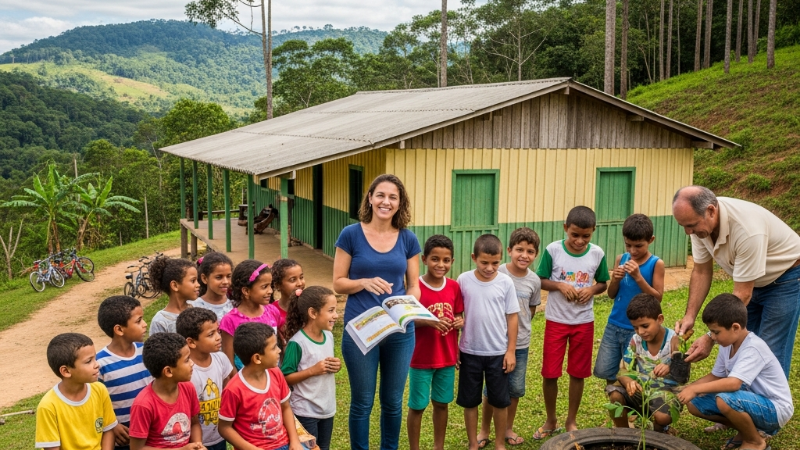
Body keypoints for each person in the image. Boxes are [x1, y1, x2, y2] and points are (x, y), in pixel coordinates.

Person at [332, 173, 421, 450]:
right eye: (380, 195)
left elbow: (414, 286)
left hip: (399, 331)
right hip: (361, 329)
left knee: (393, 402)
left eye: (393, 197)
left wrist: (407, 306)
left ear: (400, 203)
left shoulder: (408, 238)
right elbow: (338, 283)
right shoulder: (350, 234)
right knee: (362, 402)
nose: (386, 202)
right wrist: (363, 282)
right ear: (370, 198)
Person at [672, 186, 800, 377]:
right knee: (740, 345)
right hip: (752, 281)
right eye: (683, 225)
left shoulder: (747, 229)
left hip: (785, 279)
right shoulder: (700, 227)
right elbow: (701, 271)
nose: (687, 231)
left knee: (769, 351)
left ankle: (770, 397)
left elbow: (742, 293)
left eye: (691, 225)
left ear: (711, 211)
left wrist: (711, 337)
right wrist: (689, 316)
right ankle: (741, 393)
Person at [678, 293, 794, 450]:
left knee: (725, 399)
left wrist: (695, 389)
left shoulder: (753, 347)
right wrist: (687, 389)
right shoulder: (727, 345)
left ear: (735, 328)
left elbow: (733, 383)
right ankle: (748, 432)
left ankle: (755, 442)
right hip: (750, 402)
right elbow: (716, 376)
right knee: (694, 402)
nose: (712, 337)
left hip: (774, 410)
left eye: (716, 332)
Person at [535, 206, 609, 438]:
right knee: (550, 373)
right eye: (574, 234)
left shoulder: (597, 253)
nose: (579, 241)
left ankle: (571, 420)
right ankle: (550, 420)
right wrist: (559, 285)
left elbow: (603, 283)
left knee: (578, 372)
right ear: (565, 228)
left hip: (584, 322)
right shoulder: (553, 250)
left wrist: (592, 290)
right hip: (556, 321)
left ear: (593, 230)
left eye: (586, 236)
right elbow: (540, 280)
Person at [478, 227, 541, 447]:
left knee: (514, 389)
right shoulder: (497, 272)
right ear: (509, 250)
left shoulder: (534, 281)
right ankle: (484, 430)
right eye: (519, 249)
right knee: (491, 389)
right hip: (495, 343)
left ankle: (507, 428)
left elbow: (531, 310)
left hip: (520, 344)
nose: (524, 255)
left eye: (530, 251)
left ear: (536, 254)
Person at [457, 234, 519, 450]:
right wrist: (455, 348)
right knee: (470, 401)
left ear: (501, 259)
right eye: (484, 262)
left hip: (498, 353)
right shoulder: (463, 280)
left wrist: (511, 351)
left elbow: (512, 316)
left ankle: (500, 443)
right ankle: (473, 443)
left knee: (500, 401)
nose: (490, 268)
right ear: (474, 257)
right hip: (469, 352)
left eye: (495, 263)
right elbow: (457, 314)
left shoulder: (506, 282)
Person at [406, 235, 464, 450]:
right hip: (420, 359)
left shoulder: (454, 287)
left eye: (446, 260)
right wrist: (429, 321)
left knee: (441, 404)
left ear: (452, 261)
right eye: (435, 259)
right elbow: (406, 321)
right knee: (417, 406)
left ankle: (438, 447)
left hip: (447, 358)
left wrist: (460, 321)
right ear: (424, 259)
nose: (441, 265)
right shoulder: (415, 287)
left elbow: (458, 315)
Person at [594, 214, 665, 385]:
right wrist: (615, 279)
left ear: (651, 240)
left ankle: (630, 398)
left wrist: (638, 277)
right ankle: (614, 396)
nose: (633, 251)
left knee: (634, 373)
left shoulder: (656, 264)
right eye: (628, 245)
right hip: (614, 324)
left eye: (638, 246)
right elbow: (611, 294)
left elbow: (657, 298)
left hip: (638, 329)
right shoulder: (621, 259)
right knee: (607, 370)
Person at [218, 322, 303, 450]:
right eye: (274, 348)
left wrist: (295, 441)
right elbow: (224, 428)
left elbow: (285, 407)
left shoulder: (276, 373)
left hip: (284, 443)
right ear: (257, 358)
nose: (279, 350)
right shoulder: (233, 390)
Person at [606, 293, 681, 433]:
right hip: (642, 390)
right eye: (635, 327)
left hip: (665, 392)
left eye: (645, 326)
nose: (640, 332)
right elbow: (622, 371)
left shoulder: (674, 340)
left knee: (662, 417)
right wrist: (629, 381)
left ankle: (659, 433)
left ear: (660, 319)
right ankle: (624, 435)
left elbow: (683, 375)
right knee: (615, 395)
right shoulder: (636, 340)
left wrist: (670, 367)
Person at [281, 286, 341, 450]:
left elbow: (324, 365)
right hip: (305, 411)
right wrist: (312, 371)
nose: (336, 315)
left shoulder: (328, 336)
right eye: (331, 310)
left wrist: (336, 365)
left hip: (327, 408)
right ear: (313, 313)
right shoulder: (297, 343)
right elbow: (285, 378)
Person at [36, 333, 118, 450]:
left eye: (95, 358)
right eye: (89, 361)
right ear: (66, 371)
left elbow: (108, 430)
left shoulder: (100, 390)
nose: (97, 364)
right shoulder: (48, 406)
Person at [128, 333, 205, 450]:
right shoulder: (143, 405)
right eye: (187, 360)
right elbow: (136, 448)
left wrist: (197, 445)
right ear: (168, 371)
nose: (192, 363)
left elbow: (194, 423)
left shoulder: (188, 388)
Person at [97, 296, 154, 450]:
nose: (145, 324)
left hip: (152, 435)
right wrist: (112, 425)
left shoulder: (147, 352)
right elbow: (95, 404)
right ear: (119, 329)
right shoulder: (100, 364)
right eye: (138, 321)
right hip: (123, 439)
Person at [176, 308, 236, 450]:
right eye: (211, 334)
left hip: (219, 434)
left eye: (218, 331)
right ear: (191, 342)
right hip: (193, 440)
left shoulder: (221, 359)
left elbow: (228, 389)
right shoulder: (185, 371)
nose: (218, 337)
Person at [219, 259, 277, 370]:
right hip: (245, 378)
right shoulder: (230, 320)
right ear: (246, 291)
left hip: (272, 375)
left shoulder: (272, 311)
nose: (270, 291)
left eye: (270, 286)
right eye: (264, 287)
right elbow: (229, 362)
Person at [148, 256, 200, 336]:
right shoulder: (160, 322)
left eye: (197, 280)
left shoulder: (198, 309)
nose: (198, 285)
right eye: (193, 281)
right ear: (175, 285)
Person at [269, 259, 306, 346]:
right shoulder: (272, 312)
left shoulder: (309, 306)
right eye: (292, 280)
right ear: (278, 285)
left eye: (301, 277)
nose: (300, 283)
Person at [190, 253, 234, 322]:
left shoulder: (236, 305)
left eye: (228, 276)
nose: (225, 281)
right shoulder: (193, 307)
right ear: (204, 278)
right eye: (219, 277)